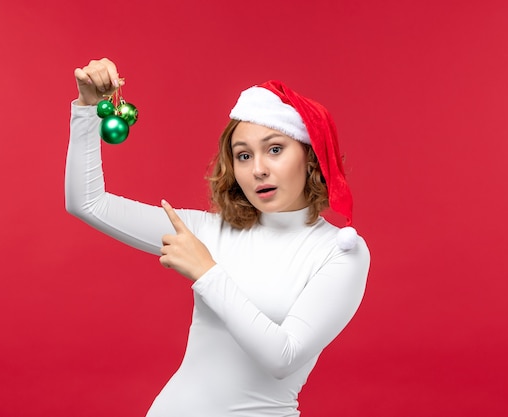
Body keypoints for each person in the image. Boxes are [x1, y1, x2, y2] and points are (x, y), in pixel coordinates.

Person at [65, 58, 370, 417]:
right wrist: (87, 108)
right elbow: (88, 203)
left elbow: (283, 357)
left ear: (310, 157)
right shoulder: (209, 231)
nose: (258, 169)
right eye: (243, 155)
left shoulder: (339, 252)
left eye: (275, 149)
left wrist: (207, 273)